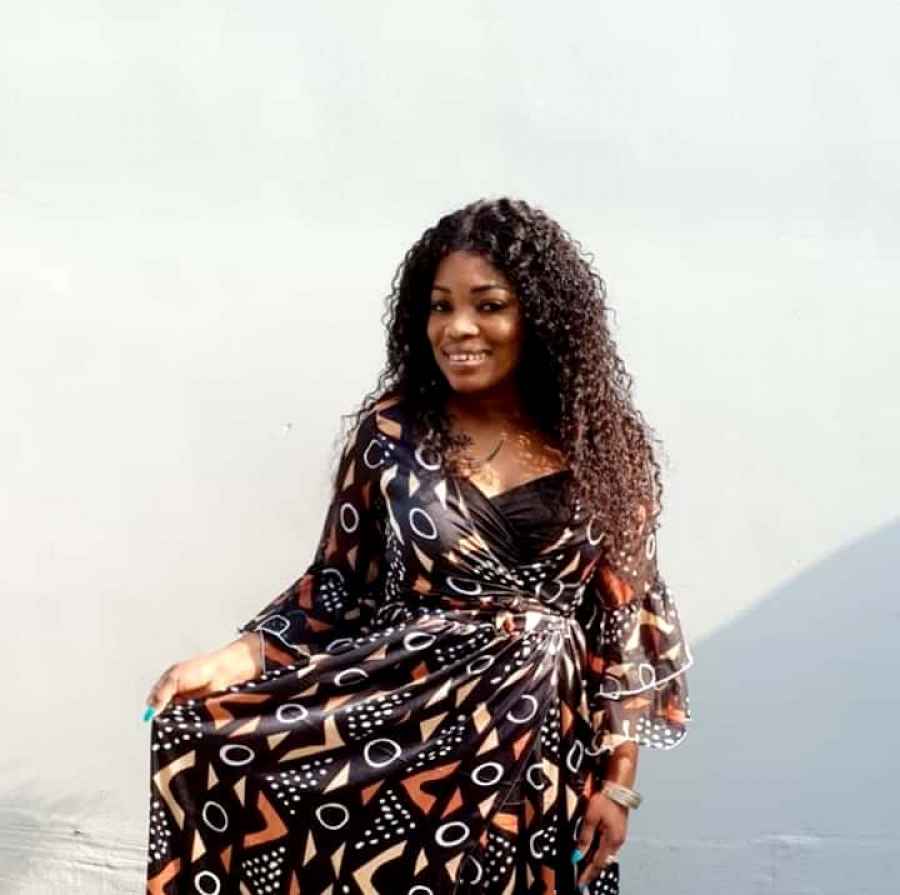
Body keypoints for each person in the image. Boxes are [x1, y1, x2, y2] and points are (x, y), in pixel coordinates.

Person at [143, 198, 692, 895]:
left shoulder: (603, 448)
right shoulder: (393, 434)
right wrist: (231, 659)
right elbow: (336, 584)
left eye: (488, 305)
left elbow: (621, 627)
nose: (458, 327)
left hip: (543, 750)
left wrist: (618, 784)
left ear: (540, 316)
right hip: (410, 723)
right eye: (440, 306)